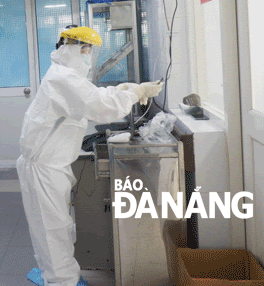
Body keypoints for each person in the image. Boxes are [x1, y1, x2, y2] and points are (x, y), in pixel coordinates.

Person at [17, 25, 162, 286]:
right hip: (44, 167)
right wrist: (133, 93)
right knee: (52, 230)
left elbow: (93, 96)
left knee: (51, 227)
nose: (88, 55)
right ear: (77, 49)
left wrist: (125, 89)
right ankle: (61, 281)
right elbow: (100, 106)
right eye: (86, 50)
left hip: (49, 165)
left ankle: (56, 274)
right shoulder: (63, 79)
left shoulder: (65, 76)